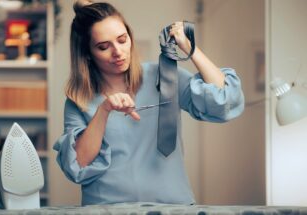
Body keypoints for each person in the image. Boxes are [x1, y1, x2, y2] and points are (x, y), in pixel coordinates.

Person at [53, 0, 244, 206]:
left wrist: (191, 49)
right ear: (87, 53)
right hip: (106, 208)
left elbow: (225, 99)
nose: (117, 52)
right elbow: (78, 164)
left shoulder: (165, 76)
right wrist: (104, 110)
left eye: (122, 39)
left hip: (174, 207)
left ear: (130, 37)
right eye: (103, 47)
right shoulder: (78, 100)